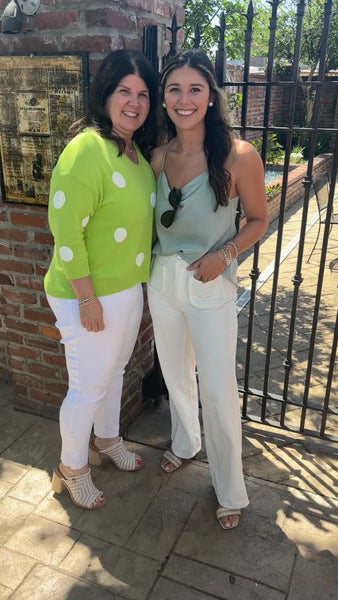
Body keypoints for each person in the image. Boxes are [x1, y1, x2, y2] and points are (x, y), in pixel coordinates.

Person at [147, 50, 268, 530]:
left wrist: (225, 255)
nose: (184, 98)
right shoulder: (157, 157)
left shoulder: (238, 155)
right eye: (174, 89)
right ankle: (184, 443)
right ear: (163, 99)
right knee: (176, 375)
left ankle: (230, 488)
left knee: (217, 391)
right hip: (162, 281)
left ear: (211, 95)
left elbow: (258, 219)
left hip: (211, 283)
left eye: (194, 88)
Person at [44, 49, 158, 510]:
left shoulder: (130, 152)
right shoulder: (87, 149)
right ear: (105, 95)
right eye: (124, 92)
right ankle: (71, 468)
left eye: (143, 94)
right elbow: (65, 230)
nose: (134, 102)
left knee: (114, 375)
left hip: (125, 288)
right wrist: (87, 299)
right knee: (87, 386)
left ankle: (106, 440)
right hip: (86, 293)